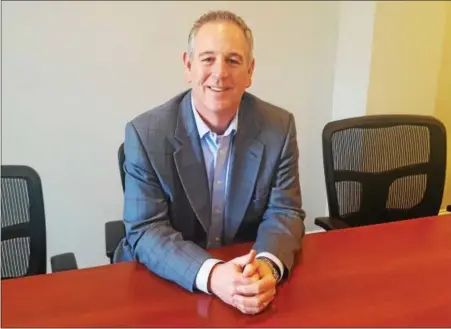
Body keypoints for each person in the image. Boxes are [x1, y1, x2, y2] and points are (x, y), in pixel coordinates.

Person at [114, 10, 306, 315]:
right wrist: (213, 275)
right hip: (166, 283)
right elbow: (146, 229)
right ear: (188, 67)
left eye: (233, 60)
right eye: (207, 59)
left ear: (250, 70)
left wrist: (267, 266)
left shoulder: (278, 128)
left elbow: (284, 211)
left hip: (245, 278)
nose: (220, 73)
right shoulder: (146, 134)